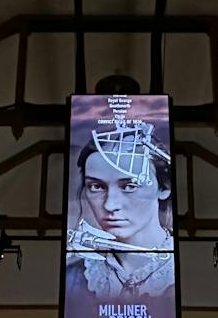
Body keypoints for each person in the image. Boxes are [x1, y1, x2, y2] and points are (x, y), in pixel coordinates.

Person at [66, 119, 175, 299]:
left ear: (164, 188)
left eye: (130, 186)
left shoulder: (182, 273)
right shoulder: (73, 278)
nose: (110, 205)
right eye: (96, 186)